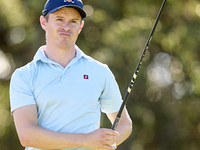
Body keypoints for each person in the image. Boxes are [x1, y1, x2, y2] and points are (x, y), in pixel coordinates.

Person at [9, 0, 132, 150]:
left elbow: (125, 124)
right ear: (44, 22)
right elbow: (27, 135)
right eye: (59, 19)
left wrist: (106, 143)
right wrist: (85, 140)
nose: (66, 27)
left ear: (80, 26)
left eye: (73, 21)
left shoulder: (100, 71)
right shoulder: (24, 76)